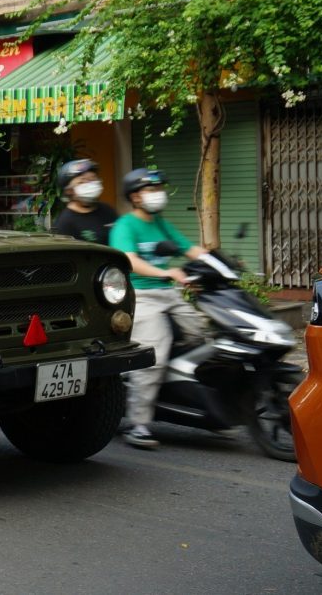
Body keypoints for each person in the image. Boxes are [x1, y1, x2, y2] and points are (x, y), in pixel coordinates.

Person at [109, 168, 209, 451]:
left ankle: (175, 396)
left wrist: (220, 263)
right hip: (142, 295)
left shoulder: (160, 223)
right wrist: (166, 274)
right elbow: (129, 261)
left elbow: (188, 249)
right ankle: (138, 424)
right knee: (154, 354)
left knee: (200, 334)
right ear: (135, 197)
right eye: (150, 189)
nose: (157, 194)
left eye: (158, 188)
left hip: (168, 293)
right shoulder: (125, 226)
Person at [50, 158, 118, 245]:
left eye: (92, 179)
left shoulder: (108, 210)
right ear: (69, 190)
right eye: (82, 182)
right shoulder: (64, 223)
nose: (89, 184)